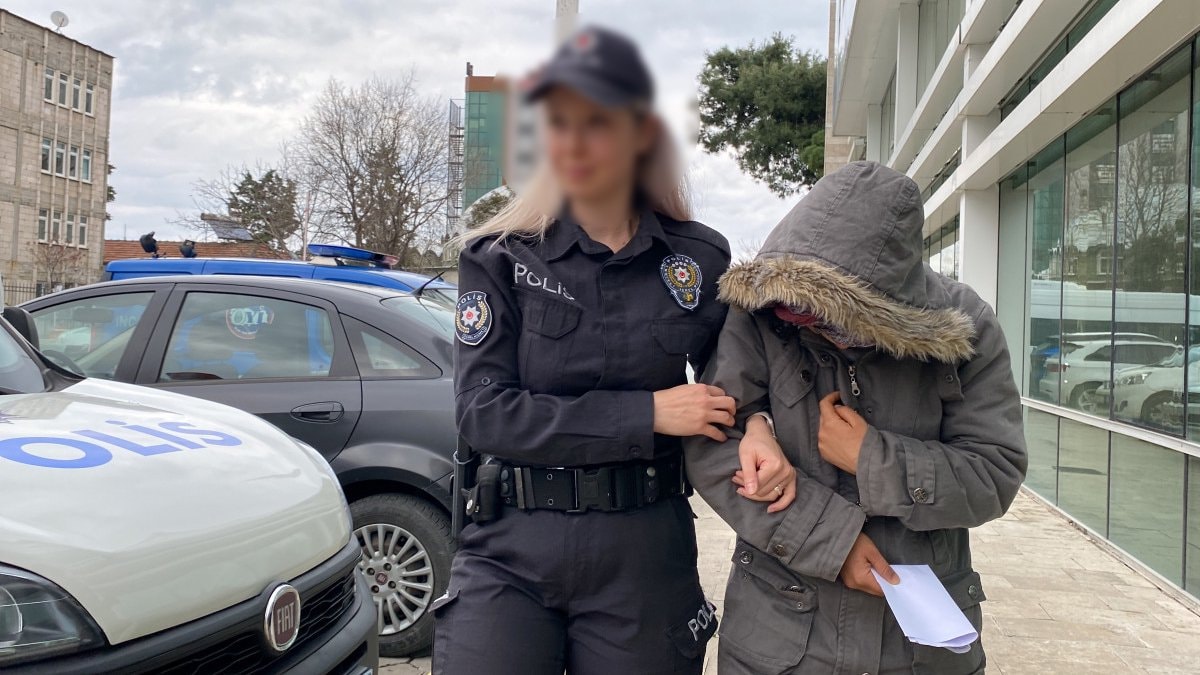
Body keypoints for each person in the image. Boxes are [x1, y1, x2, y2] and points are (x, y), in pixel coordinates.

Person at [433, 26, 733, 675]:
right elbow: (485, 414)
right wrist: (647, 414)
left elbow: (735, 385)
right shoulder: (499, 257)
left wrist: (758, 423)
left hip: (644, 549)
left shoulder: (698, 259)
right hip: (512, 547)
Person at [685, 161, 1028, 674]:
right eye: (794, 308)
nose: (800, 321)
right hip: (777, 638)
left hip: (922, 646)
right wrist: (833, 542)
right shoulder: (760, 312)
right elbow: (713, 440)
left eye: (824, 311)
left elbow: (995, 473)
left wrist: (872, 458)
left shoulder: (966, 326)